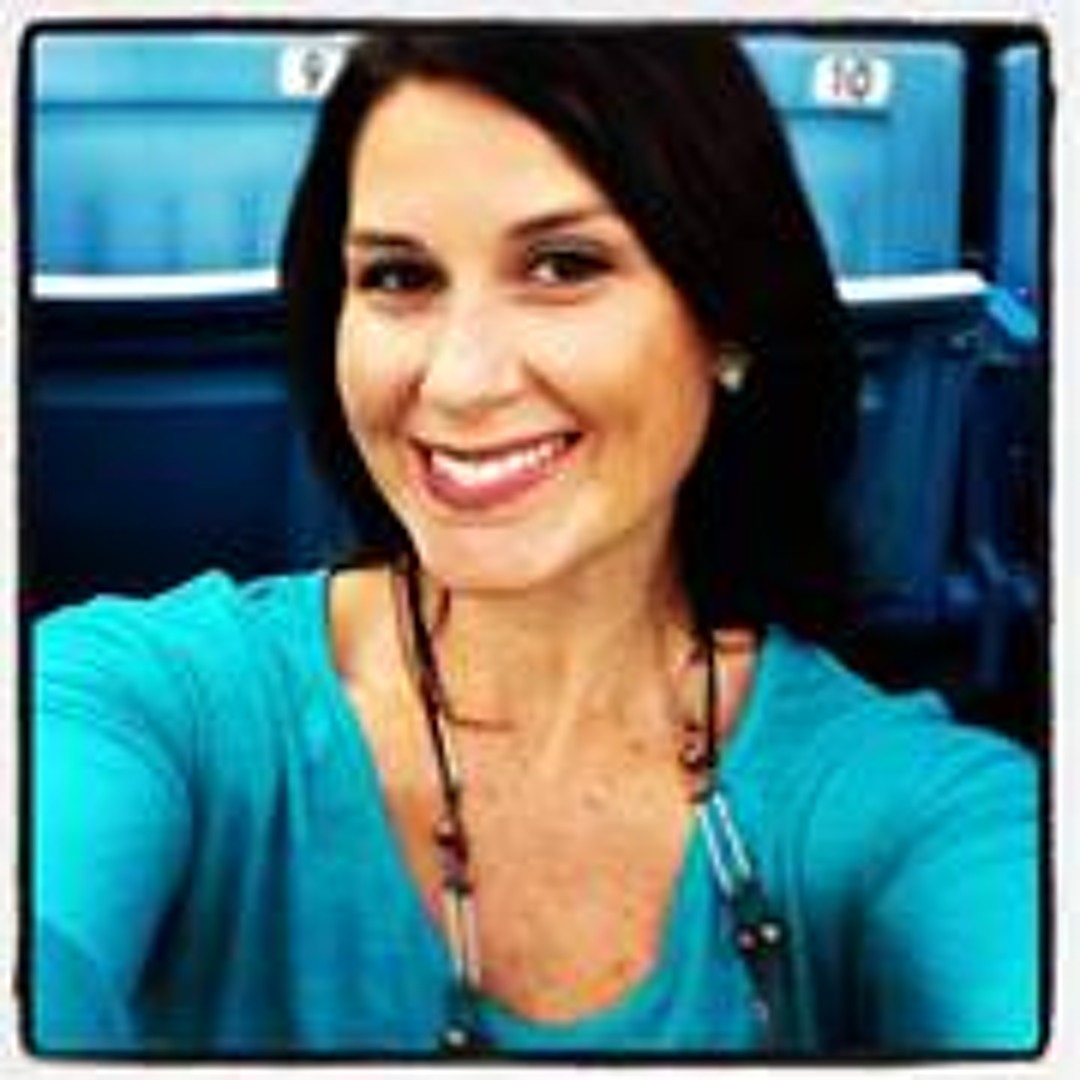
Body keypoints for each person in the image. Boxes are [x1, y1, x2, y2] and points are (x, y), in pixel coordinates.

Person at [30, 27, 1040, 1057]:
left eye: (564, 267)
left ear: (729, 317)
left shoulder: (928, 808)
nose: (460, 381)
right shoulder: (130, 698)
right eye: (398, 277)